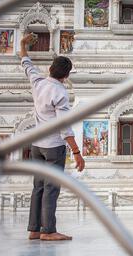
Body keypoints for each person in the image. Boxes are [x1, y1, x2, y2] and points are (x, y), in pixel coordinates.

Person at [20, 34, 85, 241]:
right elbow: (63, 126)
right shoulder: (60, 93)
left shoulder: (38, 82)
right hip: (53, 147)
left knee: (38, 187)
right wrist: (77, 152)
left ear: (50, 69)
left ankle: (34, 229)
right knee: (51, 188)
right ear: (66, 76)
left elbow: (26, 63)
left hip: (37, 145)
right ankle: (48, 230)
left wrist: (22, 44)